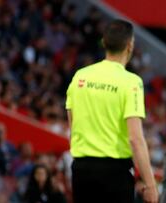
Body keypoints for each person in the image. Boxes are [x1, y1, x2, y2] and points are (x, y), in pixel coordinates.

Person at [66, 19, 158, 203]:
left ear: (104, 42)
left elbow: (73, 124)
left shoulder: (80, 76)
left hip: (81, 169)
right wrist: (151, 184)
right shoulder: (131, 82)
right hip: (114, 172)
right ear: (130, 45)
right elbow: (135, 138)